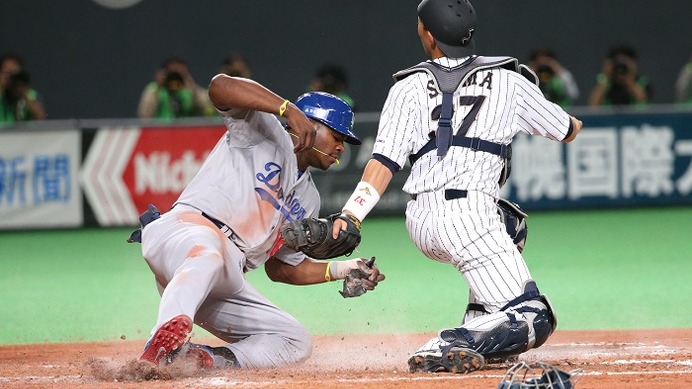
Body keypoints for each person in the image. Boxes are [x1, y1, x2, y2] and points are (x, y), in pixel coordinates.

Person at [331, 0, 583, 374]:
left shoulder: (408, 85)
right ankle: (452, 341)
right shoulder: (510, 80)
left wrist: (352, 214)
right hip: (468, 220)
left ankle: (482, 323)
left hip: (420, 219)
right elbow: (567, 130)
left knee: (511, 223)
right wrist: (538, 101)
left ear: (429, 36)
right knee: (536, 317)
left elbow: (382, 162)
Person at [131, 74, 385, 370]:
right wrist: (286, 109)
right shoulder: (263, 130)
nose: (341, 147)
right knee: (208, 255)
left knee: (295, 341)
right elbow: (219, 87)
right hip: (184, 233)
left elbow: (281, 269)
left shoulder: (309, 199)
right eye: (337, 137)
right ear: (309, 125)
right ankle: (159, 346)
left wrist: (344, 269)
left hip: (225, 274)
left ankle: (202, 360)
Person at [137, 56, 213, 119]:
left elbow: (207, 111)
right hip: (160, 132)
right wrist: (157, 88)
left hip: (187, 132)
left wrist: (193, 89)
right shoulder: (154, 89)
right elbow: (144, 115)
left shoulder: (191, 89)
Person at [587, 45, 652, 107]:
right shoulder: (604, 83)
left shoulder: (642, 82)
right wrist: (606, 76)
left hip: (637, 118)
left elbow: (642, 99)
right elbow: (593, 106)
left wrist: (629, 77)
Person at [0, 52, 46, 123]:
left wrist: (23, 92)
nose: (10, 77)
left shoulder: (29, 93)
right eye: (6, 73)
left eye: (13, 73)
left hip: (22, 133)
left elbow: (41, 117)